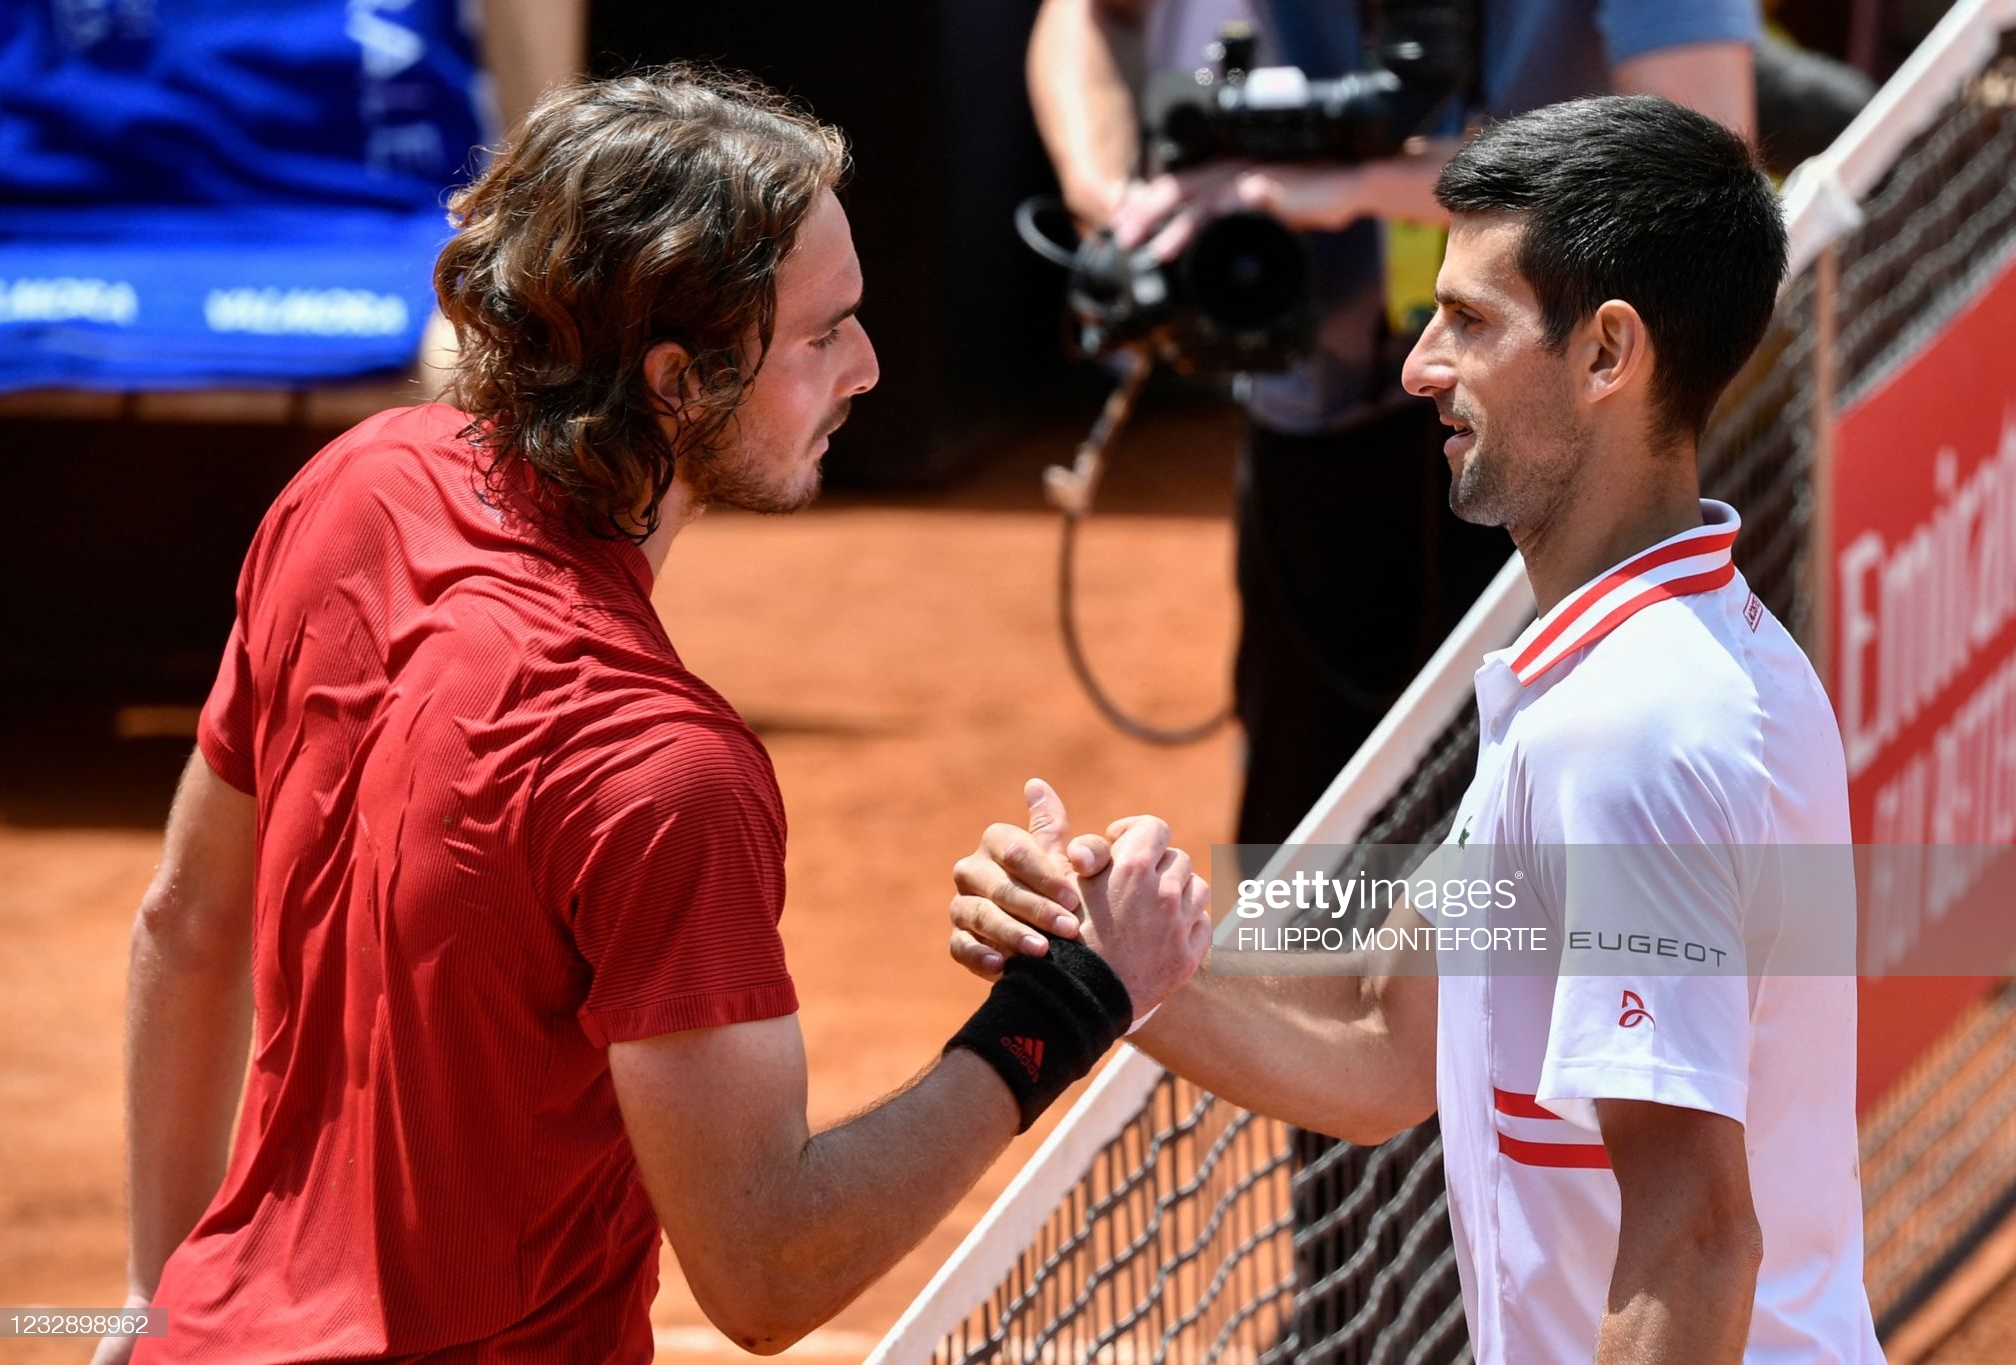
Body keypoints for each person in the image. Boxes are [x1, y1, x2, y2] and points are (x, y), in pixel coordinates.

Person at [101, 69, 1213, 1363]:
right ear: (679, 380)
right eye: (820, 335)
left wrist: (155, 1292)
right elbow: (762, 1268)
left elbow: (187, 919)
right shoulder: (663, 771)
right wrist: (1070, 1001)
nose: (866, 366)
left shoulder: (350, 488)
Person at [949, 96, 1887, 1361]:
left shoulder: (1634, 729)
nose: (1417, 366)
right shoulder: (1623, 673)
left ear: (1608, 355)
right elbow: (1392, 1047)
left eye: (1469, 321)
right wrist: (1105, 965)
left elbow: (1694, 1233)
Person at [1029, 0, 1761, 845]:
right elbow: (1083, 16)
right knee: (1303, 831)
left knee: (1544, 824)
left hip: (1560, 441)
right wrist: (1114, 201)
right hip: (1306, 407)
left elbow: (1704, 176)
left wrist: (1354, 189)